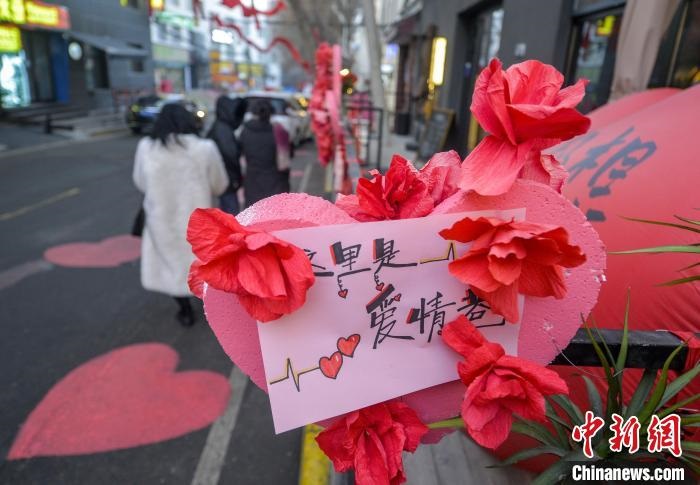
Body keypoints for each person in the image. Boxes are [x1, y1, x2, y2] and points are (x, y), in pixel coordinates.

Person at [133, 103, 228, 326]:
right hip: (198, 224)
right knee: (200, 265)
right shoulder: (205, 148)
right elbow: (220, 185)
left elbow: (140, 182)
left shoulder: (146, 147)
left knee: (171, 266)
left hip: (161, 220)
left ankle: (184, 309)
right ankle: (208, 305)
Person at [238, 100, 289, 206]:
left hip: (251, 181)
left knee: (253, 218)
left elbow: (241, 159)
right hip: (274, 182)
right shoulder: (278, 131)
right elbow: (283, 163)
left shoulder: (245, 131)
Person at [207, 96, 247, 214]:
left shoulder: (220, 126)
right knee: (231, 214)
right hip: (227, 179)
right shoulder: (223, 129)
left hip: (224, 177)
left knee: (226, 211)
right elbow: (231, 155)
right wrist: (237, 178)